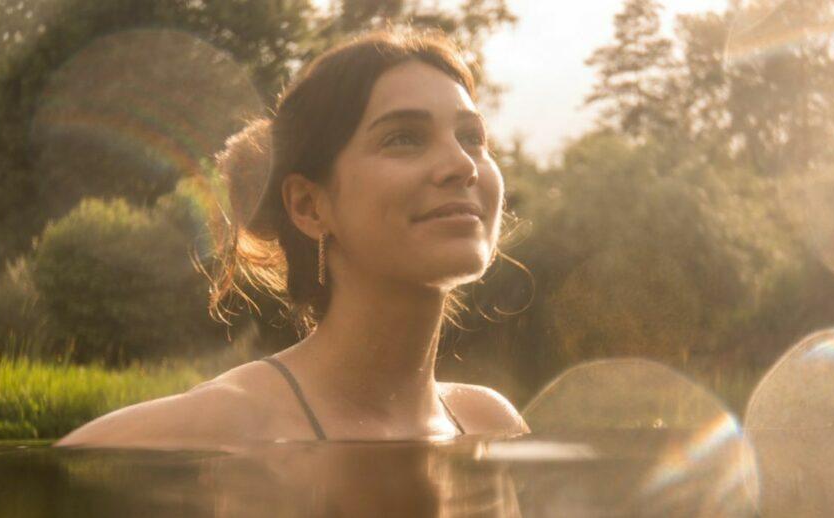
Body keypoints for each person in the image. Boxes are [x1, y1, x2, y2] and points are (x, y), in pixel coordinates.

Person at [55, 27, 530, 448]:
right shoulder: (229, 428)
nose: (463, 165)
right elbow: (68, 474)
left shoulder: (489, 424)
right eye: (403, 138)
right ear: (308, 205)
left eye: (472, 137)